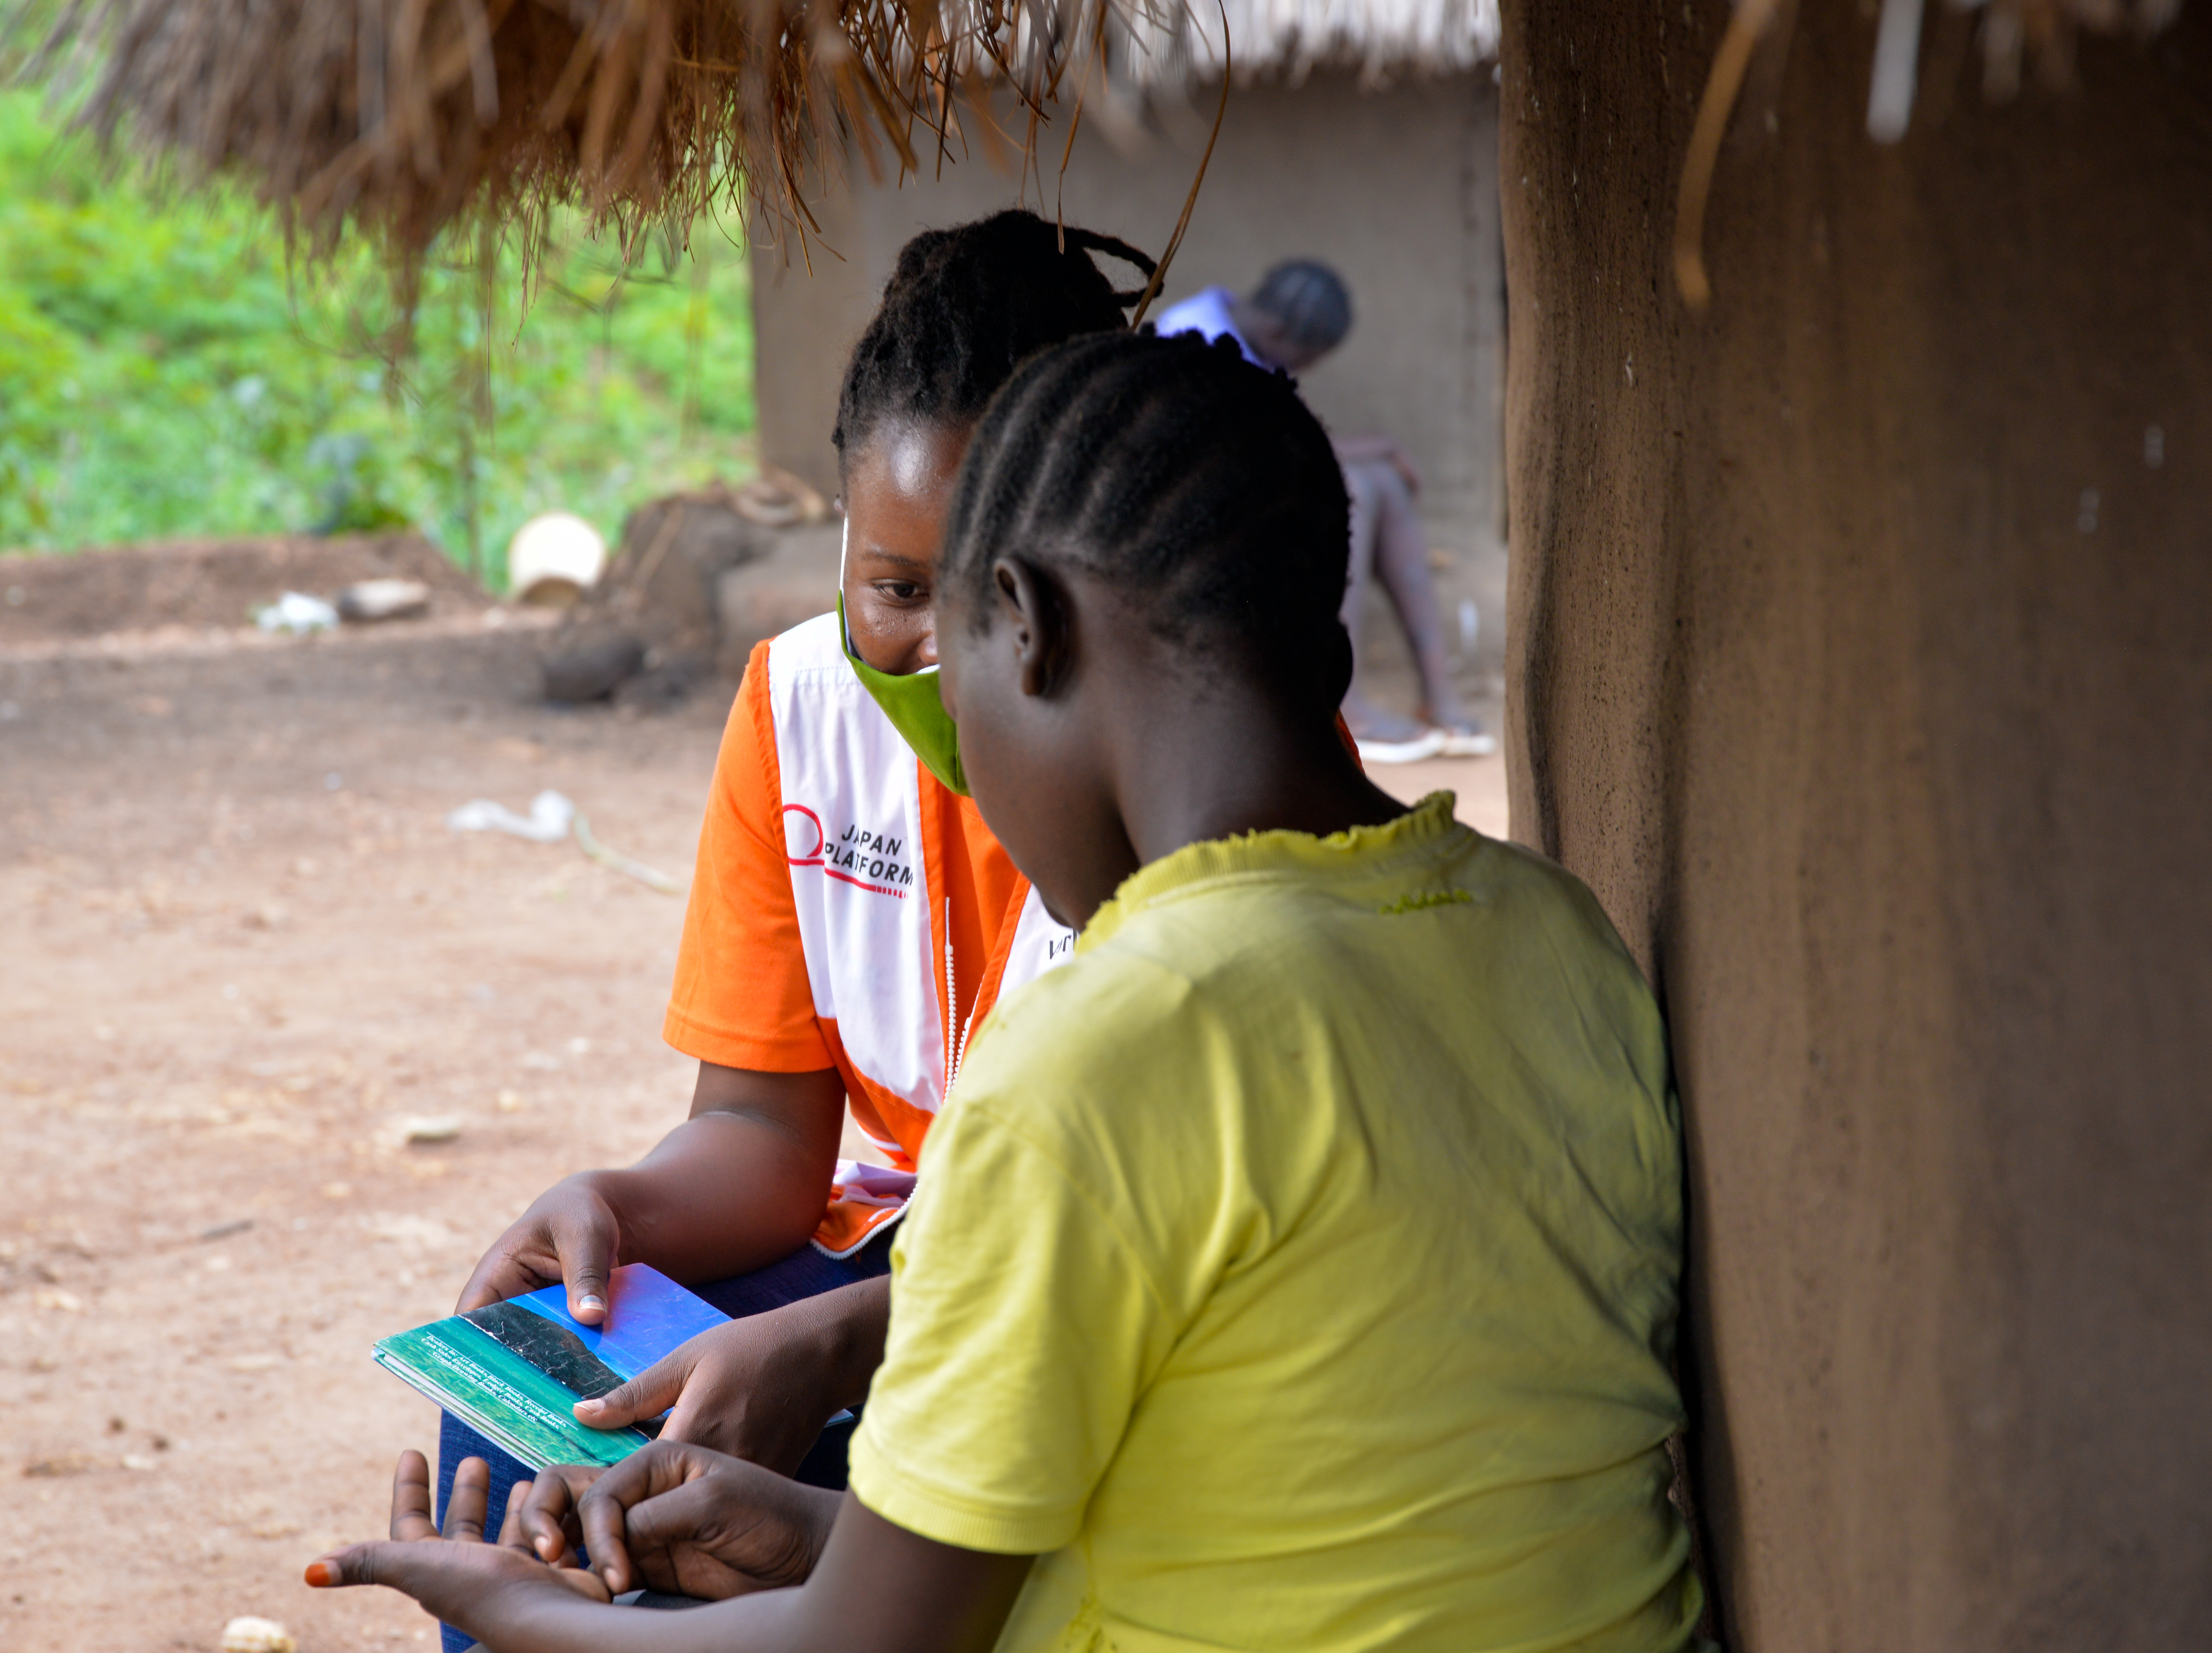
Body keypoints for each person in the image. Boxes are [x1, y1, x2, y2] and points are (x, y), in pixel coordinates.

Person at [309, 330, 1704, 1653]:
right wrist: (818, 1534)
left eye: (952, 684)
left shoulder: (1108, 1054)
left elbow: (863, 1647)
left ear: (1021, 626)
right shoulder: (1552, 934)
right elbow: (1309, 1486)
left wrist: (524, 1616)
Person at [428, 210, 1161, 1641]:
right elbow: (768, 1134)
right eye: (893, 589)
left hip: (1079, 1290)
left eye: (992, 594)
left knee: (789, 1489)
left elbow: (1144, 1240)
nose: (943, 658)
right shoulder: (801, 708)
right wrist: (616, 1210)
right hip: (886, 1251)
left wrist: (838, 1341)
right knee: (535, 1431)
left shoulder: (1194, 743)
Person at [1155, 259, 1495, 761]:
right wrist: (1371, 446)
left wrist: (1377, 452)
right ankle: (1347, 701)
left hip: (1243, 494)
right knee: (1352, 487)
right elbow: (1250, 451)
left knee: (1383, 483)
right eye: (1303, 360)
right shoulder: (1199, 333)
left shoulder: (1239, 322)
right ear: (1278, 331)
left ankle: (1439, 695)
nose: (1300, 373)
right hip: (1192, 520)